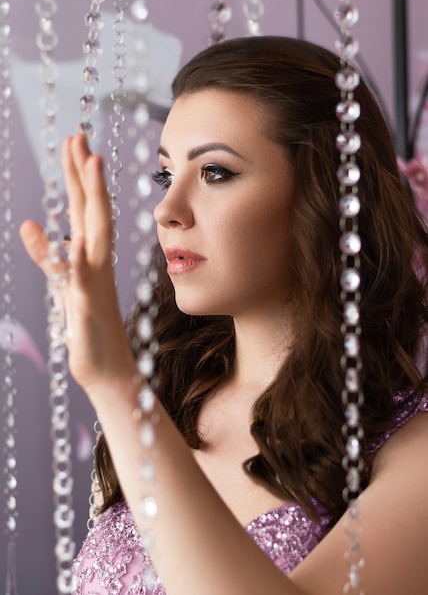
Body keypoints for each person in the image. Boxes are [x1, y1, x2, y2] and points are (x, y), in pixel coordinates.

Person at [20, 36, 428, 594]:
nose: (167, 210)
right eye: (166, 175)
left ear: (325, 196)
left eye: (215, 173)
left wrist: (116, 385)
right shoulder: (171, 398)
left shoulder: (411, 449)